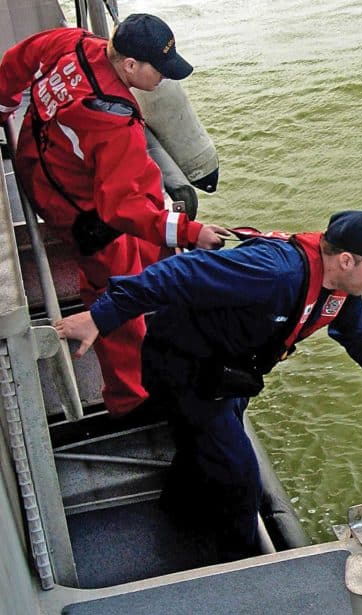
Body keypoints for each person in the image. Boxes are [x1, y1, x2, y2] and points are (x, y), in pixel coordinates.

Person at [57, 210, 362, 560]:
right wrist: (100, 317)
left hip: (230, 376)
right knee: (240, 480)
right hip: (186, 371)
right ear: (346, 260)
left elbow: (361, 338)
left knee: (202, 446)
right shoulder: (273, 271)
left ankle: (179, 511)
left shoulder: (341, 291)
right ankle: (240, 566)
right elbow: (177, 273)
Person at [0, 13, 230, 416]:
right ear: (129, 66)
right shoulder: (113, 120)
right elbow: (121, 208)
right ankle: (129, 398)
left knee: (149, 234)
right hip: (79, 211)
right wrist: (191, 232)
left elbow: (18, 61)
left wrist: (4, 104)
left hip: (39, 164)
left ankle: (160, 295)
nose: (164, 79)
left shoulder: (71, 43)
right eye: (158, 71)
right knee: (119, 294)